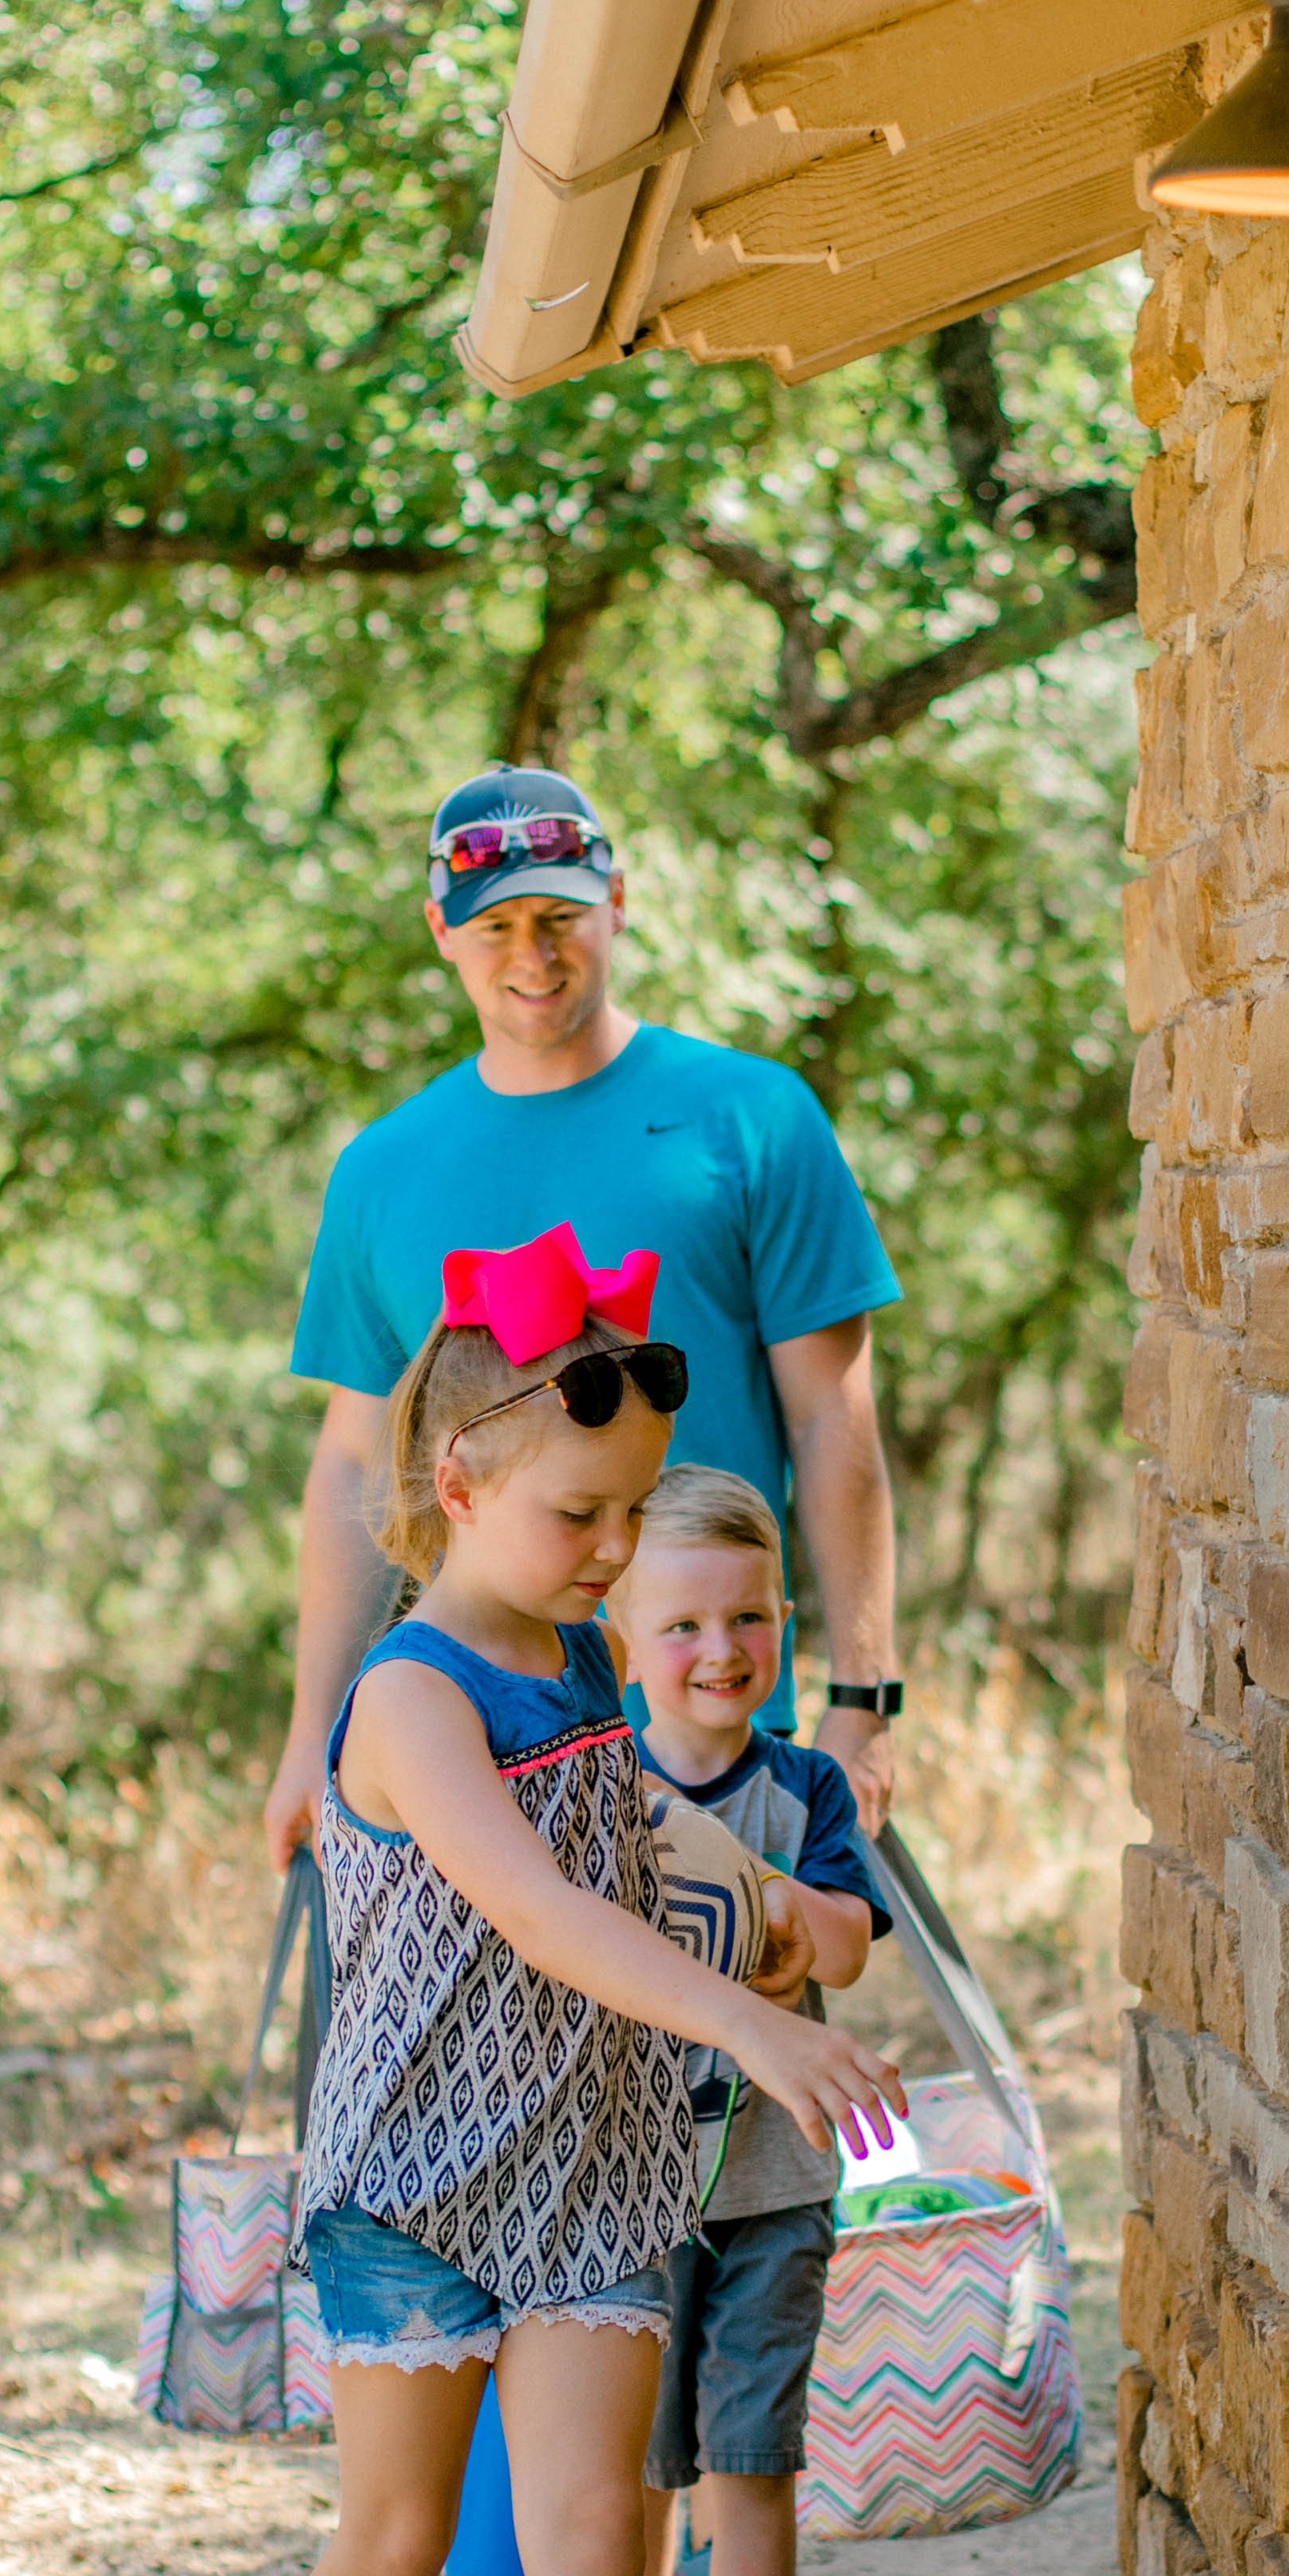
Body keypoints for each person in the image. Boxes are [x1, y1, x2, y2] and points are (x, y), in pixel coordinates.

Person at [240, 1221, 902, 2576]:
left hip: (595, 2165)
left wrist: (780, 1913)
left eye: (628, 1521)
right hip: (420, 2179)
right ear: (458, 1485)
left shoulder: (593, 1676)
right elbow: (537, 1907)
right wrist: (752, 2024)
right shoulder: (412, 1696)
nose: (614, 1555)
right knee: (385, 2539)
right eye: (580, 1519)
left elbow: (645, 1853)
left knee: (600, 2546)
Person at [264, 766, 915, 1861]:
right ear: (441, 930)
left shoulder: (753, 1119)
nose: (534, 953)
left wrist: (866, 1698)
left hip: (709, 1723)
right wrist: (308, 1740)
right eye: (496, 925)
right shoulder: (382, 1170)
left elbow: (832, 1420)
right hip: (475, 1743)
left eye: (562, 916)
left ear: (616, 900)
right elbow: (355, 1466)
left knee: (732, 2033)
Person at [618, 1468, 888, 2576]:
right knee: (637, 2463)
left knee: (754, 2453)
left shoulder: (808, 1787)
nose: (720, 1652)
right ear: (621, 1633)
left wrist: (756, 1891)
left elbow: (838, 1941)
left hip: (776, 2184)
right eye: (682, 1627)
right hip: (628, 2191)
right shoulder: (593, 1791)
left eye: (751, 1618)